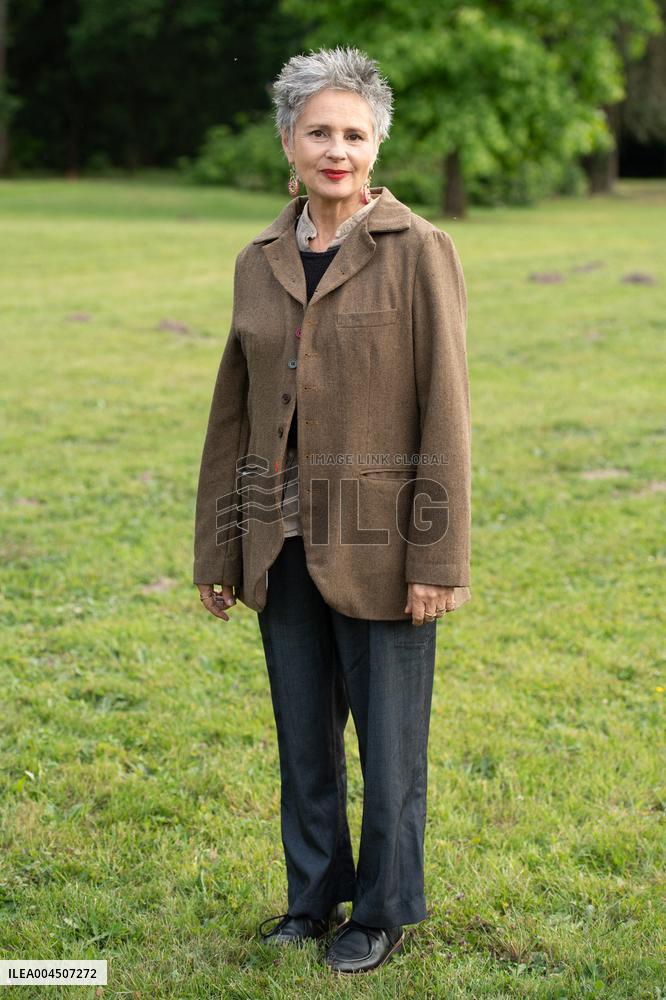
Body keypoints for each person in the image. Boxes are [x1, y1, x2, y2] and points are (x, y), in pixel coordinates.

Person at [192, 45, 472, 974]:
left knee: (391, 750)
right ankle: (311, 900)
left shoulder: (420, 250)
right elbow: (233, 414)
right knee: (303, 739)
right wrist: (221, 550)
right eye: (319, 132)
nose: (336, 149)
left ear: (376, 146)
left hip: (384, 543)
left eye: (354, 133)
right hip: (279, 537)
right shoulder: (258, 260)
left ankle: (382, 912)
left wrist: (439, 559)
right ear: (288, 142)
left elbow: (446, 410)